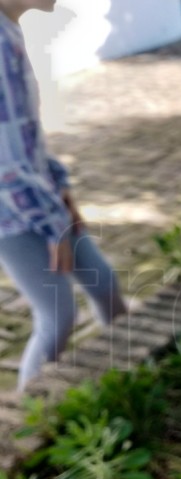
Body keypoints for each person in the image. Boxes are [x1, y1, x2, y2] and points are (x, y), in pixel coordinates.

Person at [0, 0, 126, 392]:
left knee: (105, 286)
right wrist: (56, 228)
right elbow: (7, 164)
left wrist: (62, 186)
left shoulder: (11, 33)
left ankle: (127, 377)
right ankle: (26, 423)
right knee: (57, 315)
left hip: (46, 201)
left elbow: (28, 138)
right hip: (15, 215)